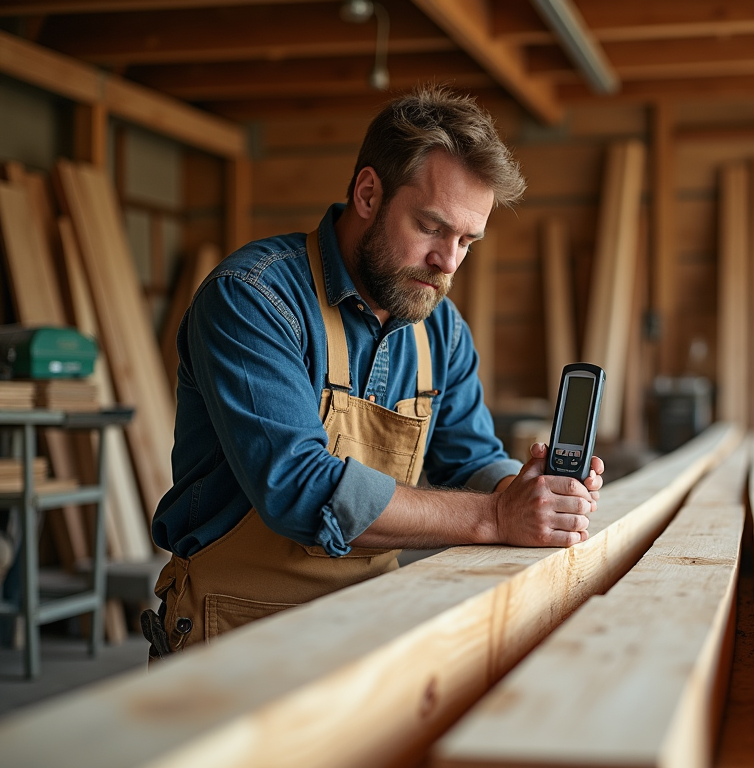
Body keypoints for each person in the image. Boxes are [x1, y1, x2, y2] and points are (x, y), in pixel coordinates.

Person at [142, 86, 604, 658]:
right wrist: (494, 516)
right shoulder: (253, 299)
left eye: (467, 240)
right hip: (232, 634)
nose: (448, 262)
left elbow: (472, 459)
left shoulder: (442, 328)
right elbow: (300, 489)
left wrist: (527, 493)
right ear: (368, 193)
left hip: (368, 626)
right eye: (432, 227)